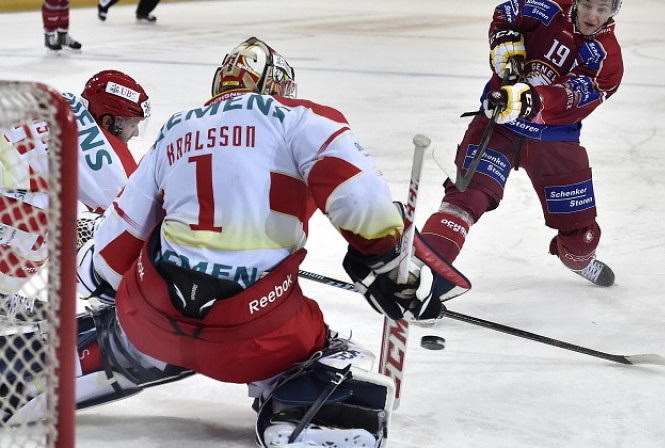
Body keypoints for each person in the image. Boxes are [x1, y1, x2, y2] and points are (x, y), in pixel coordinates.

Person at [3, 37, 469, 447]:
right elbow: (360, 200)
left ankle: (89, 352)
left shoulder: (174, 130)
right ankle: (308, 407)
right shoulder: (302, 120)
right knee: (323, 349)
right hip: (256, 331)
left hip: (150, 318)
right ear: (275, 86)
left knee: (147, 313)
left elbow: (102, 269)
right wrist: (392, 265)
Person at [420, 0, 623, 287]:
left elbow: (573, 94)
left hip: (552, 141)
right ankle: (424, 275)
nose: (592, 15)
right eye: (588, 4)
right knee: (466, 197)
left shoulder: (607, 58)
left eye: (602, 9)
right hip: (499, 123)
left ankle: (577, 259)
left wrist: (530, 99)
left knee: (581, 236)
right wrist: (502, 38)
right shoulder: (547, 7)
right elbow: (506, 12)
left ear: (614, 11)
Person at [0, 70, 149, 319]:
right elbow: (128, 224)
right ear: (111, 120)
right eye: (133, 124)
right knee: (52, 223)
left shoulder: (63, 101)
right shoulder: (110, 162)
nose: (135, 133)